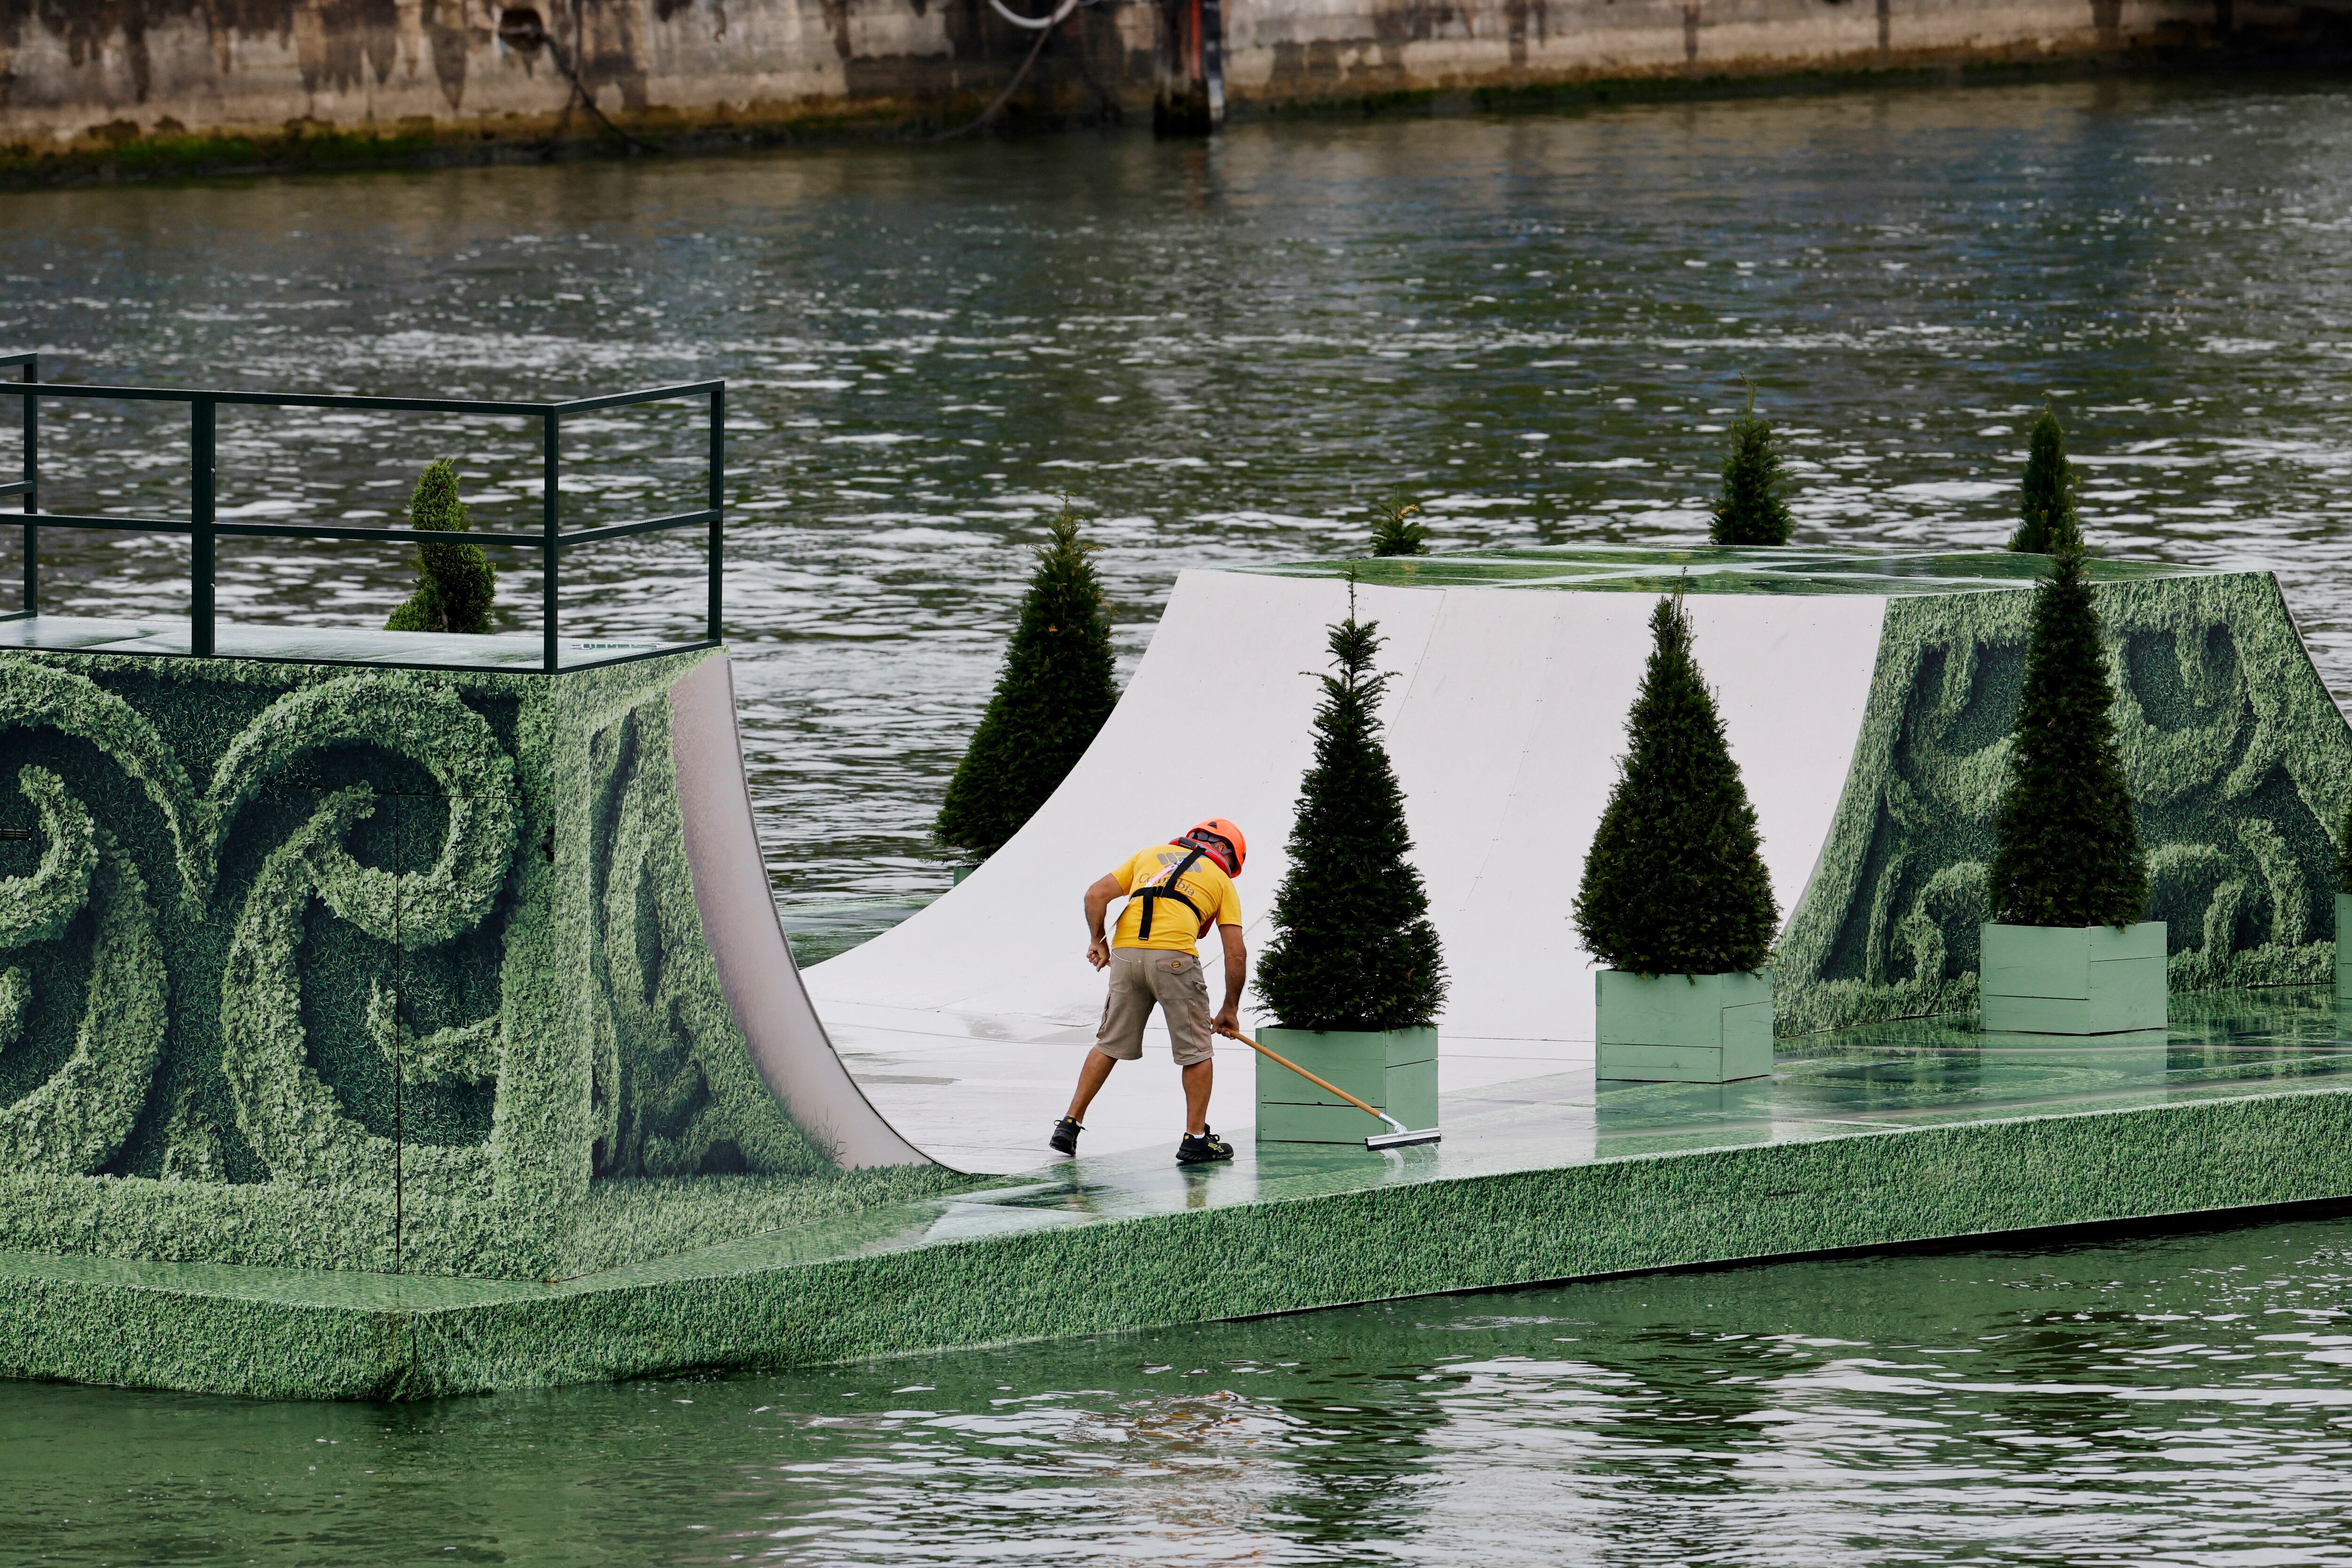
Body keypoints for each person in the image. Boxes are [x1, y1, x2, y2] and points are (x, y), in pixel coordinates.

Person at [1051, 819, 1248, 1166]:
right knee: (1196, 1051)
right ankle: (1196, 1139)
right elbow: (1236, 953)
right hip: (1175, 959)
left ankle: (1070, 1123)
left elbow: (1095, 895)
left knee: (1108, 1043)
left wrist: (1098, 940)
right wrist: (1229, 1008)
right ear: (1226, 853)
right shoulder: (1220, 880)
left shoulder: (1150, 854)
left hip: (1126, 955)